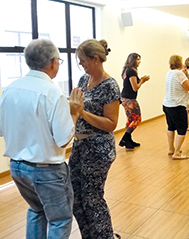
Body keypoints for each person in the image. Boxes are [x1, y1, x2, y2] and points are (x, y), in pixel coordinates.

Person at [0, 39, 80, 239]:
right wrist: (75, 113)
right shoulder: (53, 93)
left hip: (17, 168)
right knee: (59, 219)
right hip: (46, 171)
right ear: (53, 62)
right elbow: (63, 140)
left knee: (36, 211)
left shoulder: (10, 89)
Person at [69, 39, 121, 239]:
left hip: (98, 150)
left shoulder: (110, 85)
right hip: (80, 145)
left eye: (83, 60)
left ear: (96, 59)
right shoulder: (84, 80)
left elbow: (111, 123)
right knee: (75, 197)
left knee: (92, 199)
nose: (81, 64)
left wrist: (81, 112)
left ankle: (105, 236)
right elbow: (75, 107)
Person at [163, 55, 189, 159]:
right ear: (179, 62)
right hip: (177, 105)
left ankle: (171, 149)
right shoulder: (179, 74)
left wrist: (185, 74)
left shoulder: (169, 73)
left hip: (167, 104)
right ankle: (177, 153)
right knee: (182, 129)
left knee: (171, 127)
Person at [120, 52, 150, 149]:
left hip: (125, 98)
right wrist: (142, 81)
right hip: (129, 99)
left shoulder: (127, 70)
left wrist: (140, 79)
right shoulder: (131, 71)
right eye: (137, 59)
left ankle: (129, 140)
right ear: (132, 60)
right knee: (137, 119)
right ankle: (125, 138)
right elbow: (135, 87)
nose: (139, 62)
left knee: (130, 120)